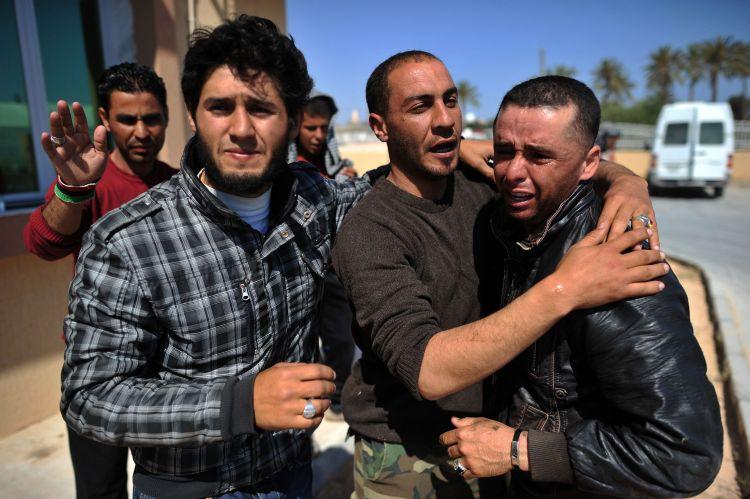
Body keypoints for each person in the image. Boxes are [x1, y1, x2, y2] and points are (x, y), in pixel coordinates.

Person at [58, 16, 388, 498]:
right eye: (220, 107)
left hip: (292, 475)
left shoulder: (316, 201)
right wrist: (239, 404)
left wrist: (466, 150)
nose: (241, 129)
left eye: (261, 108)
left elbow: (382, 190)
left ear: (293, 121)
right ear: (193, 115)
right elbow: (90, 398)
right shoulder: (127, 241)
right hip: (190, 489)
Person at [331, 52, 668, 498]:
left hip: (495, 436)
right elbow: (428, 370)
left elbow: (559, 159)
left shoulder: (482, 184)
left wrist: (625, 181)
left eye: (450, 100)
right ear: (380, 128)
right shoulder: (370, 232)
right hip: (407, 453)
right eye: (420, 106)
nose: (445, 119)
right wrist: (567, 288)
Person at [439, 76, 722, 497]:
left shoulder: (619, 264)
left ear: (589, 163)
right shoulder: (513, 224)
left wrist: (521, 449)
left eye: (539, 156)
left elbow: (684, 454)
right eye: (504, 151)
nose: (513, 172)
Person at [23, 62, 175, 499]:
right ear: (106, 120)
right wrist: (73, 190)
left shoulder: (178, 185)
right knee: (100, 490)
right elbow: (42, 241)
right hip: (98, 370)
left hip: (165, 372)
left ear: (166, 117)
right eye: (128, 119)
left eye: (151, 118)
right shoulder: (88, 180)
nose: (141, 131)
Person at [288, 95, 357, 416]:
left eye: (323, 129)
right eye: (310, 127)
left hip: (332, 269)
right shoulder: (286, 171)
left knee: (340, 338)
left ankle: (338, 397)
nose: (317, 135)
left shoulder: (337, 171)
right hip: (295, 270)